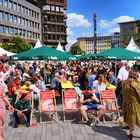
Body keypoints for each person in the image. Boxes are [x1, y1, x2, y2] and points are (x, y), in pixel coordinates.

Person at [122, 71, 140, 140]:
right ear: (136, 76)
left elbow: (123, 94)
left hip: (127, 104)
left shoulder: (125, 84)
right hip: (135, 104)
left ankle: (131, 134)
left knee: (130, 120)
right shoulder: (136, 85)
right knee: (138, 119)